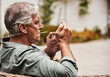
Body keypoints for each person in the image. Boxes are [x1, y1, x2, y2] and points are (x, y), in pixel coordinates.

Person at [0, 2, 78, 77]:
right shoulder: (26, 57)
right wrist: (64, 43)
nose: (41, 26)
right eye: (36, 23)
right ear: (23, 28)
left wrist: (50, 50)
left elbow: (35, 64)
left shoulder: (6, 47)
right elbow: (70, 73)